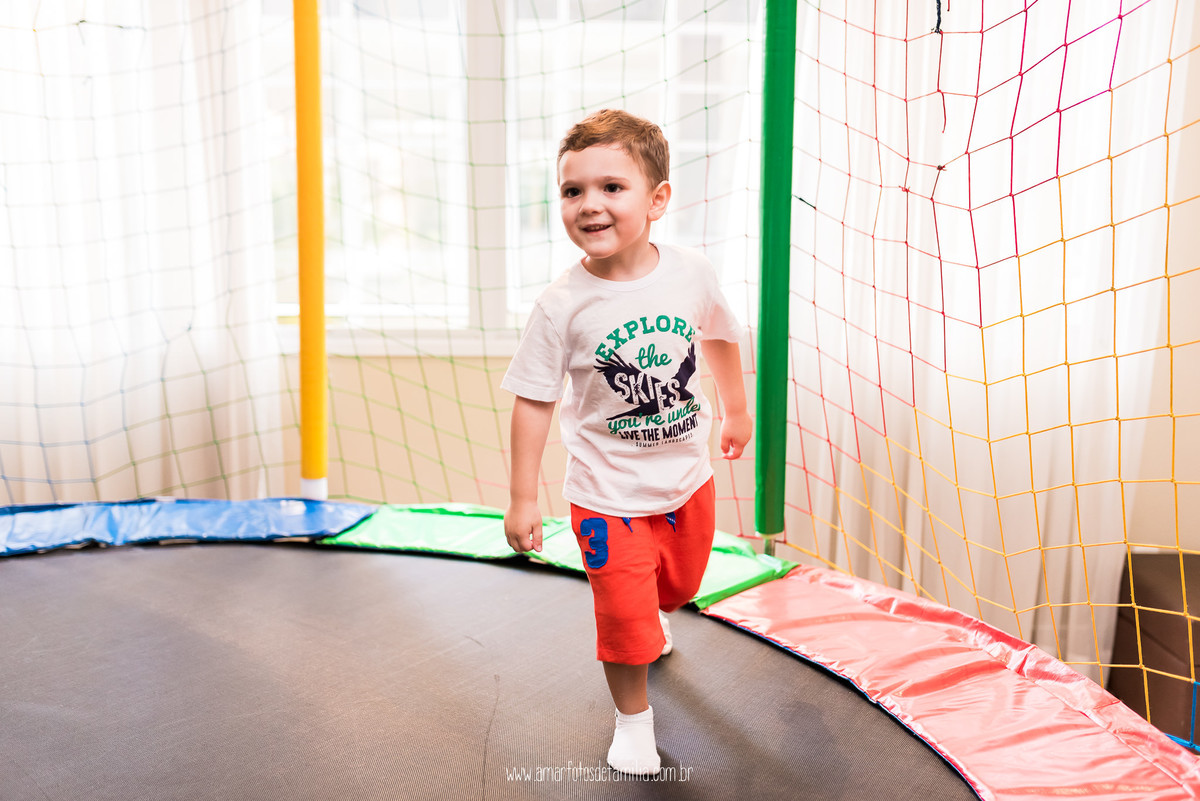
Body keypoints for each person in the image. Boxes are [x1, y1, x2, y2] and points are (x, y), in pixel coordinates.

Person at [501, 108, 752, 776]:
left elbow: (720, 336)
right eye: (573, 190)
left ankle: (653, 614)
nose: (590, 204)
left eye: (611, 187)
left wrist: (736, 410)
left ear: (657, 199)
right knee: (621, 612)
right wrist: (522, 497)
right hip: (604, 494)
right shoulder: (562, 305)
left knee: (677, 588)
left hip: (686, 483)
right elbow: (533, 401)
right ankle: (634, 721)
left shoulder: (691, 273)